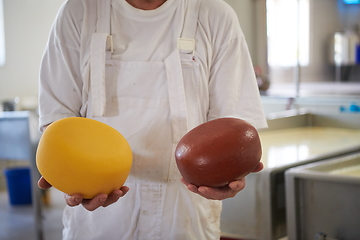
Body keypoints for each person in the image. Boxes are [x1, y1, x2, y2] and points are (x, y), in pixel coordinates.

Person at [37, 0, 268, 239]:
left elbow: (232, 132)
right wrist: (66, 176)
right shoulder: (80, 11)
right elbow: (59, 122)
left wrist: (228, 174)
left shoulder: (215, 15)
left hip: (185, 213)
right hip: (97, 217)